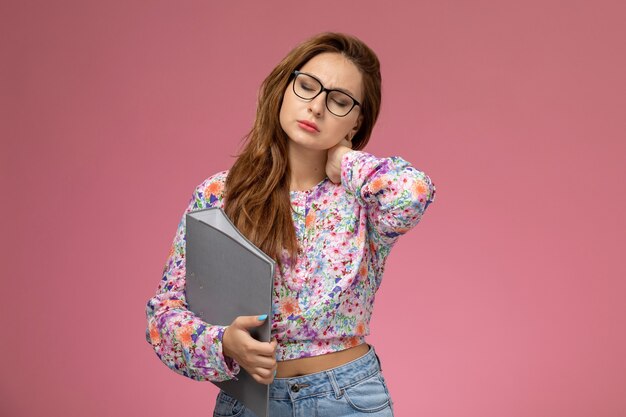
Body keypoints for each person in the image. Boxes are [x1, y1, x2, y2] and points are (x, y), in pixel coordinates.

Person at [146, 32, 436, 417]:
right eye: (307, 87)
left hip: (347, 398)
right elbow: (164, 316)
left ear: (356, 121)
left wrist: (347, 163)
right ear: (284, 89)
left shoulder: (363, 198)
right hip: (250, 403)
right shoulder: (221, 195)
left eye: (338, 101)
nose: (316, 107)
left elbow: (414, 192)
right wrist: (223, 344)